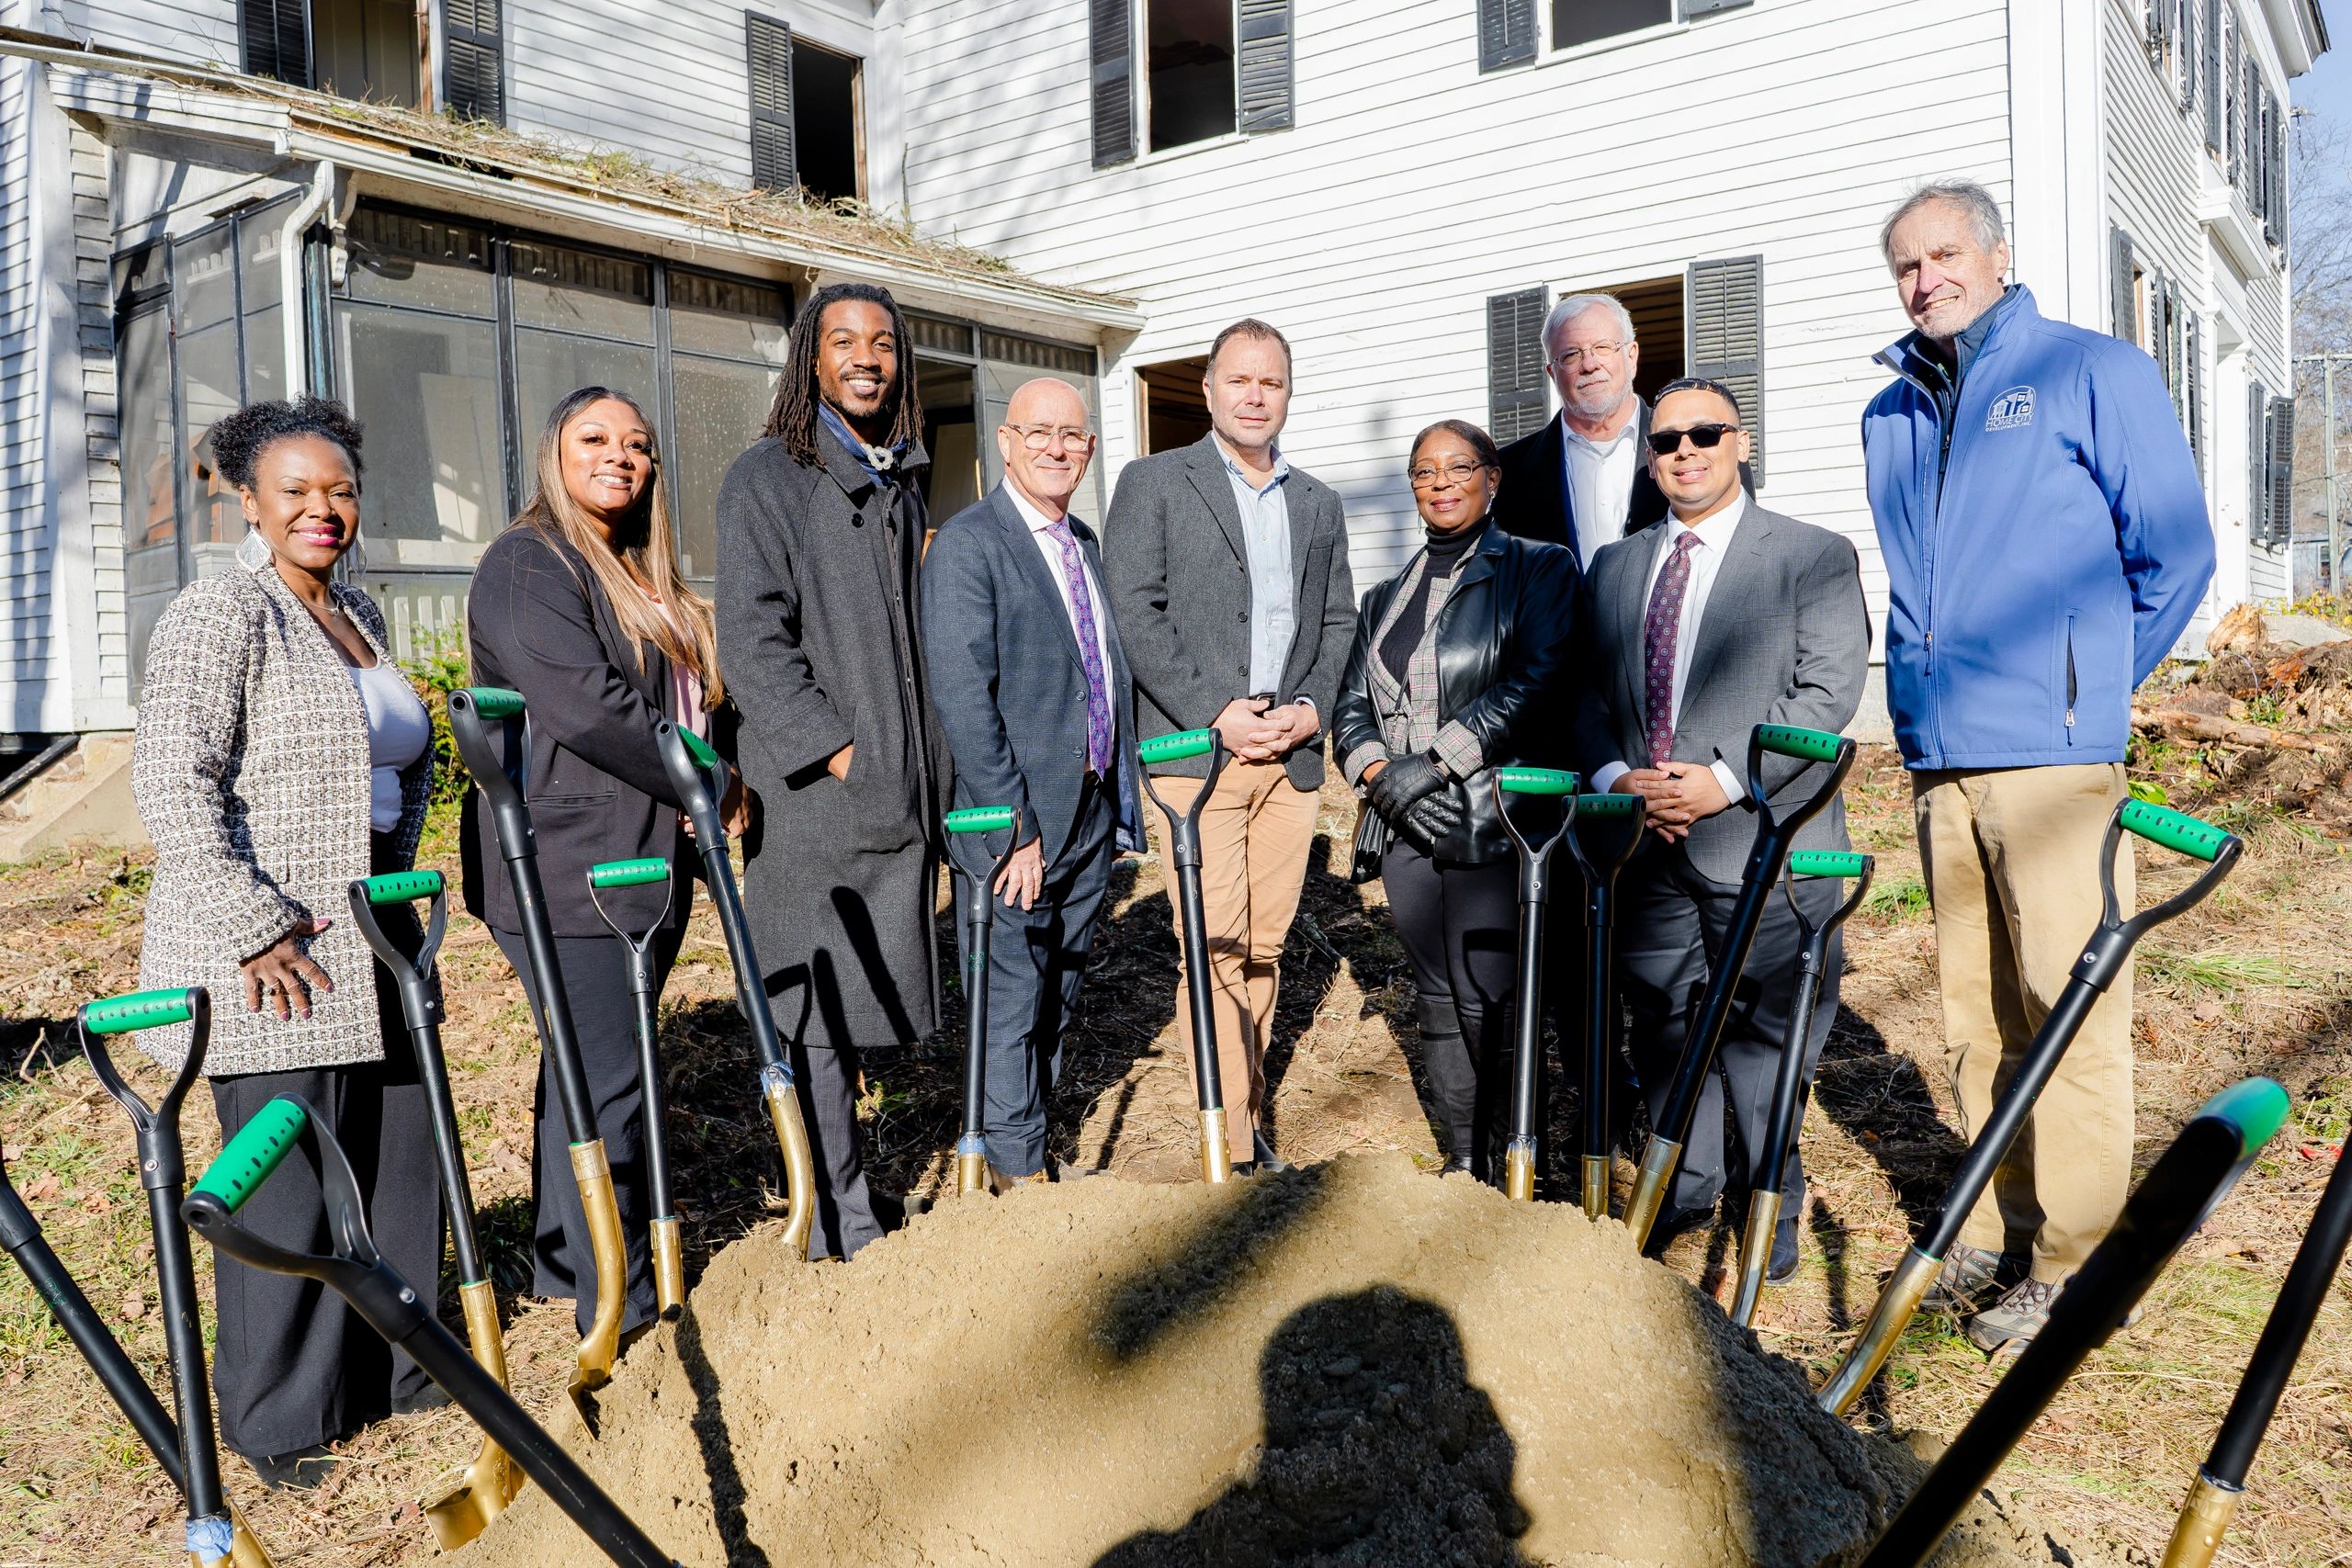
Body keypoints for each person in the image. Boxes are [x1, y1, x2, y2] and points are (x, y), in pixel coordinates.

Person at [1863, 180, 2215, 1350]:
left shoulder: (2086, 372)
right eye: (1906, 265)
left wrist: (2087, 692)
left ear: (1997, 255)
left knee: (2069, 1012)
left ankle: (2070, 1266)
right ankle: (1994, 1230)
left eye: (1945, 254)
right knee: (1976, 1012)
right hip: (1941, 760)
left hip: (2054, 765)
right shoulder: (1891, 414)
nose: (1926, 280)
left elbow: (2174, 551)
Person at [130, 396, 438, 1489]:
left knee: (400, 1161)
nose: (323, 508)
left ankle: (402, 1373)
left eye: (340, 489)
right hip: (268, 950)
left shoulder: (356, 609)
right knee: (289, 1185)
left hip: (371, 930)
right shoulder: (222, 616)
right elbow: (172, 783)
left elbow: (395, 755)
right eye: (297, 492)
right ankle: (278, 1420)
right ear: (250, 503)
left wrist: (395, 871)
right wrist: (257, 925)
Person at [1573, 378, 1868, 1275]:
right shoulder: (1617, 568)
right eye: (1665, 441)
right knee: (1662, 1028)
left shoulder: (1809, 557)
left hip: (1763, 840)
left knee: (1762, 1041)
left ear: (1741, 442)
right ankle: (1683, 1187)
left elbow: (1825, 696)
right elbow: (1585, 694)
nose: (1685, 451)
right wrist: (1620, 776)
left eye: (1706, 433)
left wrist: (1727, 781)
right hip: (1646, 842)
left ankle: (1769, 1202)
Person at [465, 386, 729, 1340]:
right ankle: (614, 1304)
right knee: (611, 1079)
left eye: (638, 444)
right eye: (594, 438)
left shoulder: (629, 566)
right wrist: (707, 776)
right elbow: (583, 708)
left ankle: (565, 1263)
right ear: (554, 452)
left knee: (584, 1070)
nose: (620, 455)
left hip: (641, 859)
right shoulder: (529, 565)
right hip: (574, 867)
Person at [716, 281, 950, 1258]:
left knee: (854, 1006)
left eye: (884, 343)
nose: (866, 356)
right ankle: (835, 1213)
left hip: (890, 790)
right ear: (809, 357)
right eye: (844, 340)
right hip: (814, 793)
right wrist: (839, 749)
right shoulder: (766, 475)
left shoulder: (896, 478)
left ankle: (848, 1193)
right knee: (810, 1007)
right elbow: (753, 641)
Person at [1102, 319, 1357, 1174]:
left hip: (1287, 760)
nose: (1255, 396)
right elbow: (1135, 610)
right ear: (1208, 389)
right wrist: (1217, 712)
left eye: (1272, 382)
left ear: (1289, 393)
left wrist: (1311, 709)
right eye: (1239, 380)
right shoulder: (1154, 481)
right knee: (1212, 942)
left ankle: (1241, 1121)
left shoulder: (1316, 501)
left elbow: (1335, 619)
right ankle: (1230, 1137)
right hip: (1196, 757)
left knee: (1267, 945)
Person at [1330, 421, 1577, 1177]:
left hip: (1490, 818)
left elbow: (1539, 682)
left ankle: (1516, 1162)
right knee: (1436, 997)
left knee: (1491, 997)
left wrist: (1433, 764)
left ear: (1491, 478)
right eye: (1424, 471)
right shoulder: (1382, 598)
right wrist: (1381, 776)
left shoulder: (1539, 569)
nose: (1440, 482)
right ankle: (1464, 1160)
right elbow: (1350, 706)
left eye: (1458, 467)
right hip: (1406, 824)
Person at [920, 378, 1146, 1188]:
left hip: (1086, 806)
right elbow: (961, 694)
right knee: (1013, 993)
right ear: (1007, 442)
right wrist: (1014, 826)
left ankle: (1030, 1143)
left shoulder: (1082, 541)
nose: (1058, 447)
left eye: (1074, 436)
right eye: (1040, 432)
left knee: (1061, 985)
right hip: (1016, 823)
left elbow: (1099, 672)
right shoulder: (970, 545)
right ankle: (1016, 1181)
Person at [1490, 293, 1667, 573]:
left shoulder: (1691, 448)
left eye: (1603, 347)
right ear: (1552, 373)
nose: (1589, 365)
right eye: (1571, 355)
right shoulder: (1510, 473)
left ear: (1631, 356)